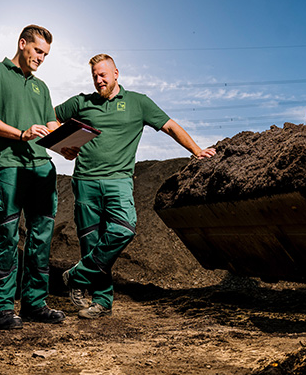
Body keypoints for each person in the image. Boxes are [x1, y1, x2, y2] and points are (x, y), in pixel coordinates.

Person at [56, 53, 216, 319]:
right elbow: (50, 118)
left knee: (124, 229)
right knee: (91, 242)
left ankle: (76, 275)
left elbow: (170, 126)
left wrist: (196, 150)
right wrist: (63, 148)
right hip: (84, 181)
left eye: (103, 74)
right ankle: (102, 303)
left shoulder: (137, 103)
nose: (99, 80)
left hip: (118, 180)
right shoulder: (81, 102)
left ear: (116, 73)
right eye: (95, 75)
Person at [0, 25, 66, 330]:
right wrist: (20, 134)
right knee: (8, 235)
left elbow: (51, 124)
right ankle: (2, 308)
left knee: (40, 238)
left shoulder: (42, 87)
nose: (41, 58)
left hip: (42, 167)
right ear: (22, 43)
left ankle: (35, 303)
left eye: (45, 55)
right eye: (38, 51)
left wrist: (66, 143)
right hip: (7, 165)